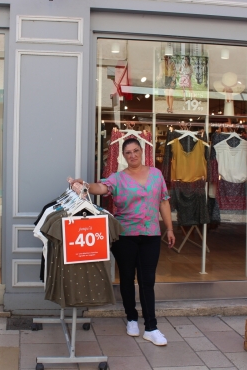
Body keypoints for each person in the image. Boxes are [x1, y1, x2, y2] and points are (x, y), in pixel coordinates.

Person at [71, 138, 176, 346]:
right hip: (125, 236)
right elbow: (100, 188)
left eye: (136, 151)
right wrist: (84, 185)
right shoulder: (117, 178)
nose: (132, 155)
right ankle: (131, 318)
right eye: (128, 152)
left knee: (147, 281)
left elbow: (164, 201)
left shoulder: (156, 174)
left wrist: (170, 228)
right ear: (123, 156)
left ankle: (151, 327)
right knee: (127, 278)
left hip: (151, 235)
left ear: (143, 152)